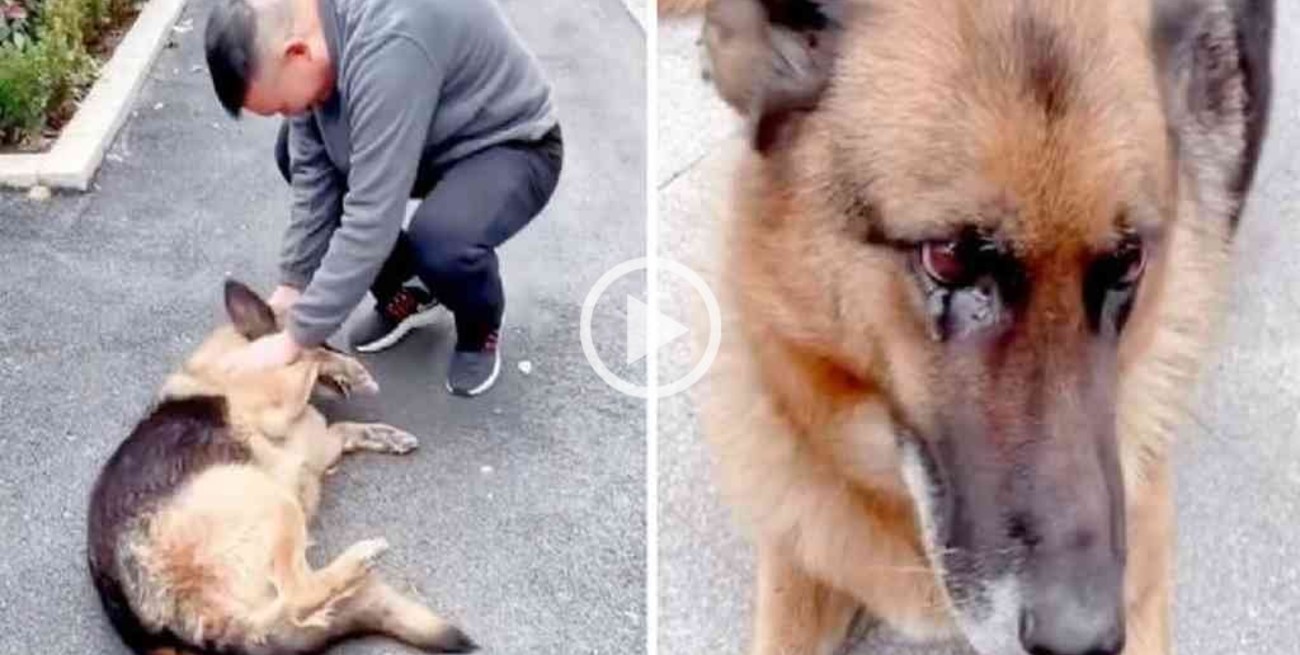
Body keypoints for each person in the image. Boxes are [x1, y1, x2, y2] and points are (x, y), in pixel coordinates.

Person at [204, 0, 563, 396]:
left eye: (285, 107)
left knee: (441, 240)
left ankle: (480, 328)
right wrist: (294, 283)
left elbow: (372, 217)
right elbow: (313, 170)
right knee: (291, 152)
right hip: (427, 132)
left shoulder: (391, 40)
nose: (289, 114)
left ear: (297, 53)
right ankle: (410, 291)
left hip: (507, 142)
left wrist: (293, 340)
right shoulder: (311, 32)